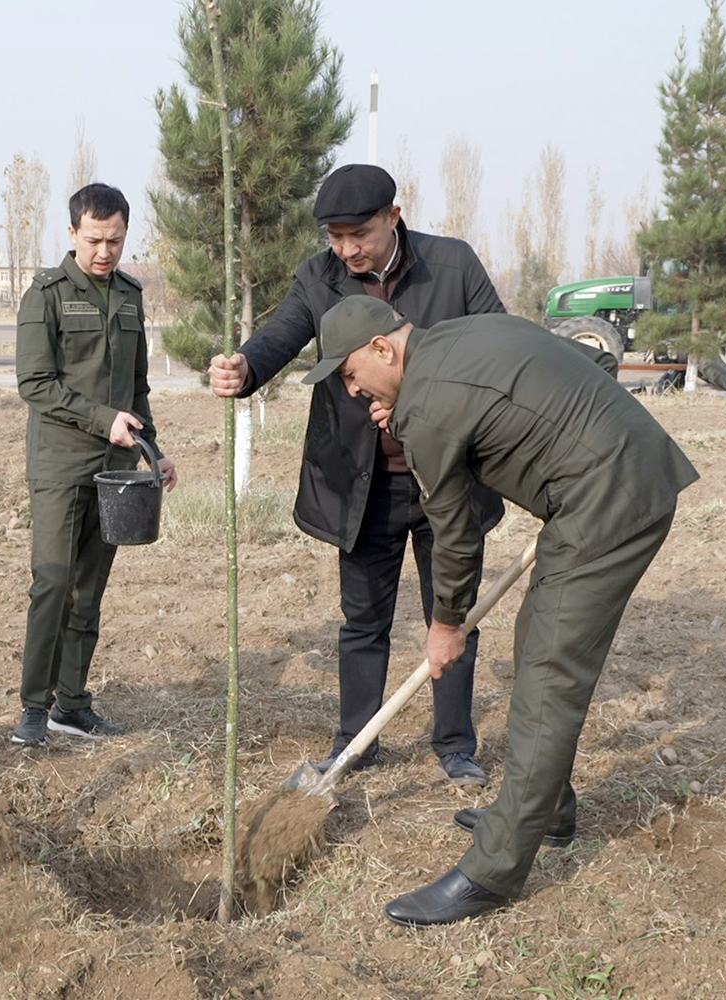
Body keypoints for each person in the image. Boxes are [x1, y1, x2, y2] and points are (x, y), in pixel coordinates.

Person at [302, 295, 698, 926]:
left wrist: (445, 624)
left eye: (350, 374)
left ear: (383, 348)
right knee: (536, 637)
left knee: (549, 670)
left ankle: (493, 870)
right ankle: (546, 808)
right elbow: (569, 372)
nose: (352, 391)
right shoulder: (458, 337)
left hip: (611, 496)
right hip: (608, 477)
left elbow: (454, 532)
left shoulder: (429, 405)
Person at [208, 164, 505, 784]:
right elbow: (283, 334)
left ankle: (454, 744)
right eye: (334, 238)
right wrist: (245, 368)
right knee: (362, 619)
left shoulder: (452, 267)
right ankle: (356, 742)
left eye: (358, 235)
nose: (346, 250)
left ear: (394, 217)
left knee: (452, 612)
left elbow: (495, 346)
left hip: (446, 475)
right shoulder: (320, 278)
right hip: (361, 483)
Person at [12, 182, 178, 747]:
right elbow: (35, 384)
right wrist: (102, 418)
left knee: (90, 588)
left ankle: (72, 703)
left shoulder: (130, 295)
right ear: (72, 233)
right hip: (60, 464)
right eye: (94, 240)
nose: (105, 252)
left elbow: (138, 387)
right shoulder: (47, 294)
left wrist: (153, 452)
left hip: (117, 465)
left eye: (116, 240)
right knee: (52, 584)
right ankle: (35, 706)